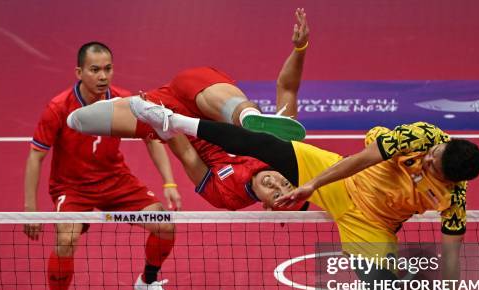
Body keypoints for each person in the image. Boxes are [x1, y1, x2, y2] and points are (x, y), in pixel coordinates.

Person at [121, 102, 479, 290]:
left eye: (433, 166)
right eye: (433, 155)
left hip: (372, 226)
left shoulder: (453, 199)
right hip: (345, 181)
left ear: (451, 181)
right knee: (266, 145)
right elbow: (362, 159)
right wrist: (313, 183)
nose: (428, 160)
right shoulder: (423, 136)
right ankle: (174, 120)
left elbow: (451, 256)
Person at [66, 8, 310, 211]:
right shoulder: (286, 156)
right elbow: (287, 88)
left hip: (171, 119)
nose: (275, 184)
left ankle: (134, 108)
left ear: (268, 207)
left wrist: (164, 122)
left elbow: (188, 157)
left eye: (277, 195)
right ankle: (249, 117)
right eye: (286, 184)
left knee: (78, 120)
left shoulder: (229, 197)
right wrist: (300, 49)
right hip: (207, 96)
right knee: (239, 115)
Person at [23, 42, 182, 290]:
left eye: (107, 68)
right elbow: (35, 156)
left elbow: (152, 138)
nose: (102, 75)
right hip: (72, 187)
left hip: (115, 181)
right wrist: (30, 209)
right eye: (94, 70)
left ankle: (147, 282)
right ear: (79, 72)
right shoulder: (58, 107)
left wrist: (169, 182)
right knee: (65, 239)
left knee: (165, 225)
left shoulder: (125, 101)